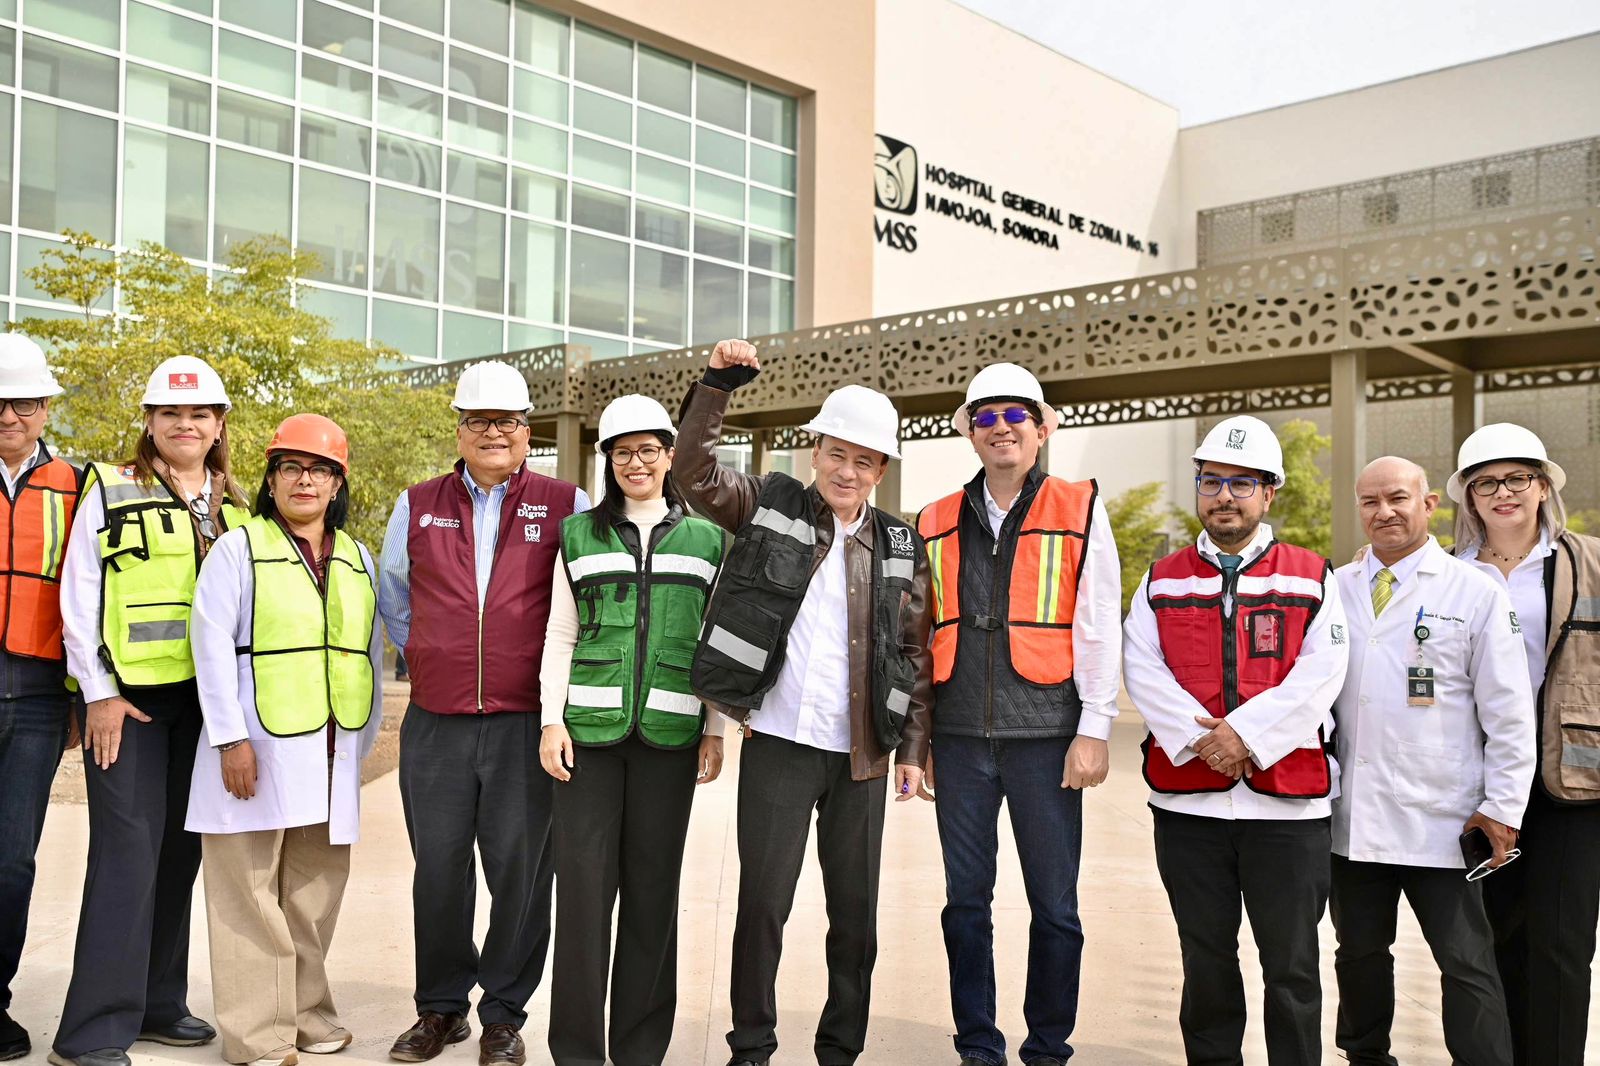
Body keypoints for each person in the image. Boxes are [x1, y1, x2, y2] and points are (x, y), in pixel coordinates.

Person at [678, 339, 933, 1066]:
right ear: (814, 450)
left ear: (881, 470)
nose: (847, 472)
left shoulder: (902, 544)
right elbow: (693, 473)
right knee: (763, 907)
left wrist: (912, 750)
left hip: (863, 755)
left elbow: (914, 652)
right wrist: (716, 386)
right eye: (836, 454)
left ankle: (839, 1050)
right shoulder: (768, 503)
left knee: (854, 917)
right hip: (780, 744)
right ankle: (751, 1047)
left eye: (864, 461)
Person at [379, 361, 589, 1066]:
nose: (492, 432)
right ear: (460, 430)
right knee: (438, 870)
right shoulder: (417, 503)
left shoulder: (567, 502)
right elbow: (394, 593)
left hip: (525, 722)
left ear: (527, 431)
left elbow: (587, 597)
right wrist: (429, 651)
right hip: (436, 721)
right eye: (478, 421)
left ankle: (502, 1013)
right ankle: (440, 1009)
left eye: (506, 422)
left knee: (520, 874)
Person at [1123, 416, 1348, 1066]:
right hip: (1189, 811)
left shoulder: (1311, 576)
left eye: (1243, 483)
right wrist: (1208, 745)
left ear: (1269, 492)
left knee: (1293, 968)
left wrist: (1245, 737)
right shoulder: (1161, 579)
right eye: (1212, 481)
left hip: (1289, 816)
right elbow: (1143, 668)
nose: (1225, 496)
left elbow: (1322, 674)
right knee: (1206, 961)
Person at [915, 363, 1120, 1066]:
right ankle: (978, 1044)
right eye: (986, 417)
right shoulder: (934, 519)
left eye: (1014, 416)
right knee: (965, 904)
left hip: (1047, 736)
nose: (1000, 429)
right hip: (959, 737)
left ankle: (1047, 1048)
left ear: (1042, 427)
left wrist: (1094, 728)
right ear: (969, 432)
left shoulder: (1079, 506)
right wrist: (921, 739)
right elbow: (919, 635)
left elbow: (1099, 623)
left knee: (1055, 907)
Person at [54, 356, 249, 1066]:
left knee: (179, 854)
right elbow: (79, 596)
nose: (185, 424)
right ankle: (92, 1031)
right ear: (149, 421)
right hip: (129, 705)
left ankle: (159, 1004)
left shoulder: (238, 508)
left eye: (199, 414)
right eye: (171, 413)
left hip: (205, 708)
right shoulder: (110, 487)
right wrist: (98, 692)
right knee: (127, 856)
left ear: (219, 425)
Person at [188, 415, 383, 1066]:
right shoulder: (237, 550)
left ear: (337, 485)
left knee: (313, 892)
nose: (305, 480)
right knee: (247, 893)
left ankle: (307, 1016)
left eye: (320, 469)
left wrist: (360, 745)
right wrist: (229, 740)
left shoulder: (357, 558)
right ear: (270, 480)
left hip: (330, 751)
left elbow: (368, 655)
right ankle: (257, 1035)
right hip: (255, 749)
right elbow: (210, 646)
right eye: (291, 467)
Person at [537, 394, 726, 1066]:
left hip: (671, 742)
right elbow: (560, 635)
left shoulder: (708, 540)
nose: (636, 463)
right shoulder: (577, 535)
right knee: (582, 902)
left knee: (653, 898)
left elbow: (714, 643)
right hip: (586, 742)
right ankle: (578, 1053)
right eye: (623, 452)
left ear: (670, 456)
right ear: (607, 460)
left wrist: (715, 729)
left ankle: (640, 1050)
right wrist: (550, 720)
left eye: (648, 450)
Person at [1330, 455, 1534, 1066]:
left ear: (1428, 505)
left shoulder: (1474, 591)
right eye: (1370, 501)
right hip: (1354, 815)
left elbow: (1509, 711)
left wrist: (1503, 806)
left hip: (1446, 817)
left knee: (1466, 960)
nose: (1384, 512)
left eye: (1398, 498)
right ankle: (1365, 1057)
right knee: (1358, 953)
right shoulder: (1334, 587)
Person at [1445, 423, 1600, 1066]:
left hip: (1571, 781)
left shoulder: (1590, 562)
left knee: (1562, 945)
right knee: (1489, 940)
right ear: (1469, 497)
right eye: (1486, 483)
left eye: (1517, 478)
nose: (1503, 493)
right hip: (1476, 781)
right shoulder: (1449, 573)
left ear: (1542, 487)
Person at [0, 335, 82, 1062]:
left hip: (35, 700)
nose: (8, 415)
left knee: (12, 862)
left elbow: (87, 596)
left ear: (46, 407)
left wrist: (84, 695)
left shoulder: (76, 485)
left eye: (23, 402)